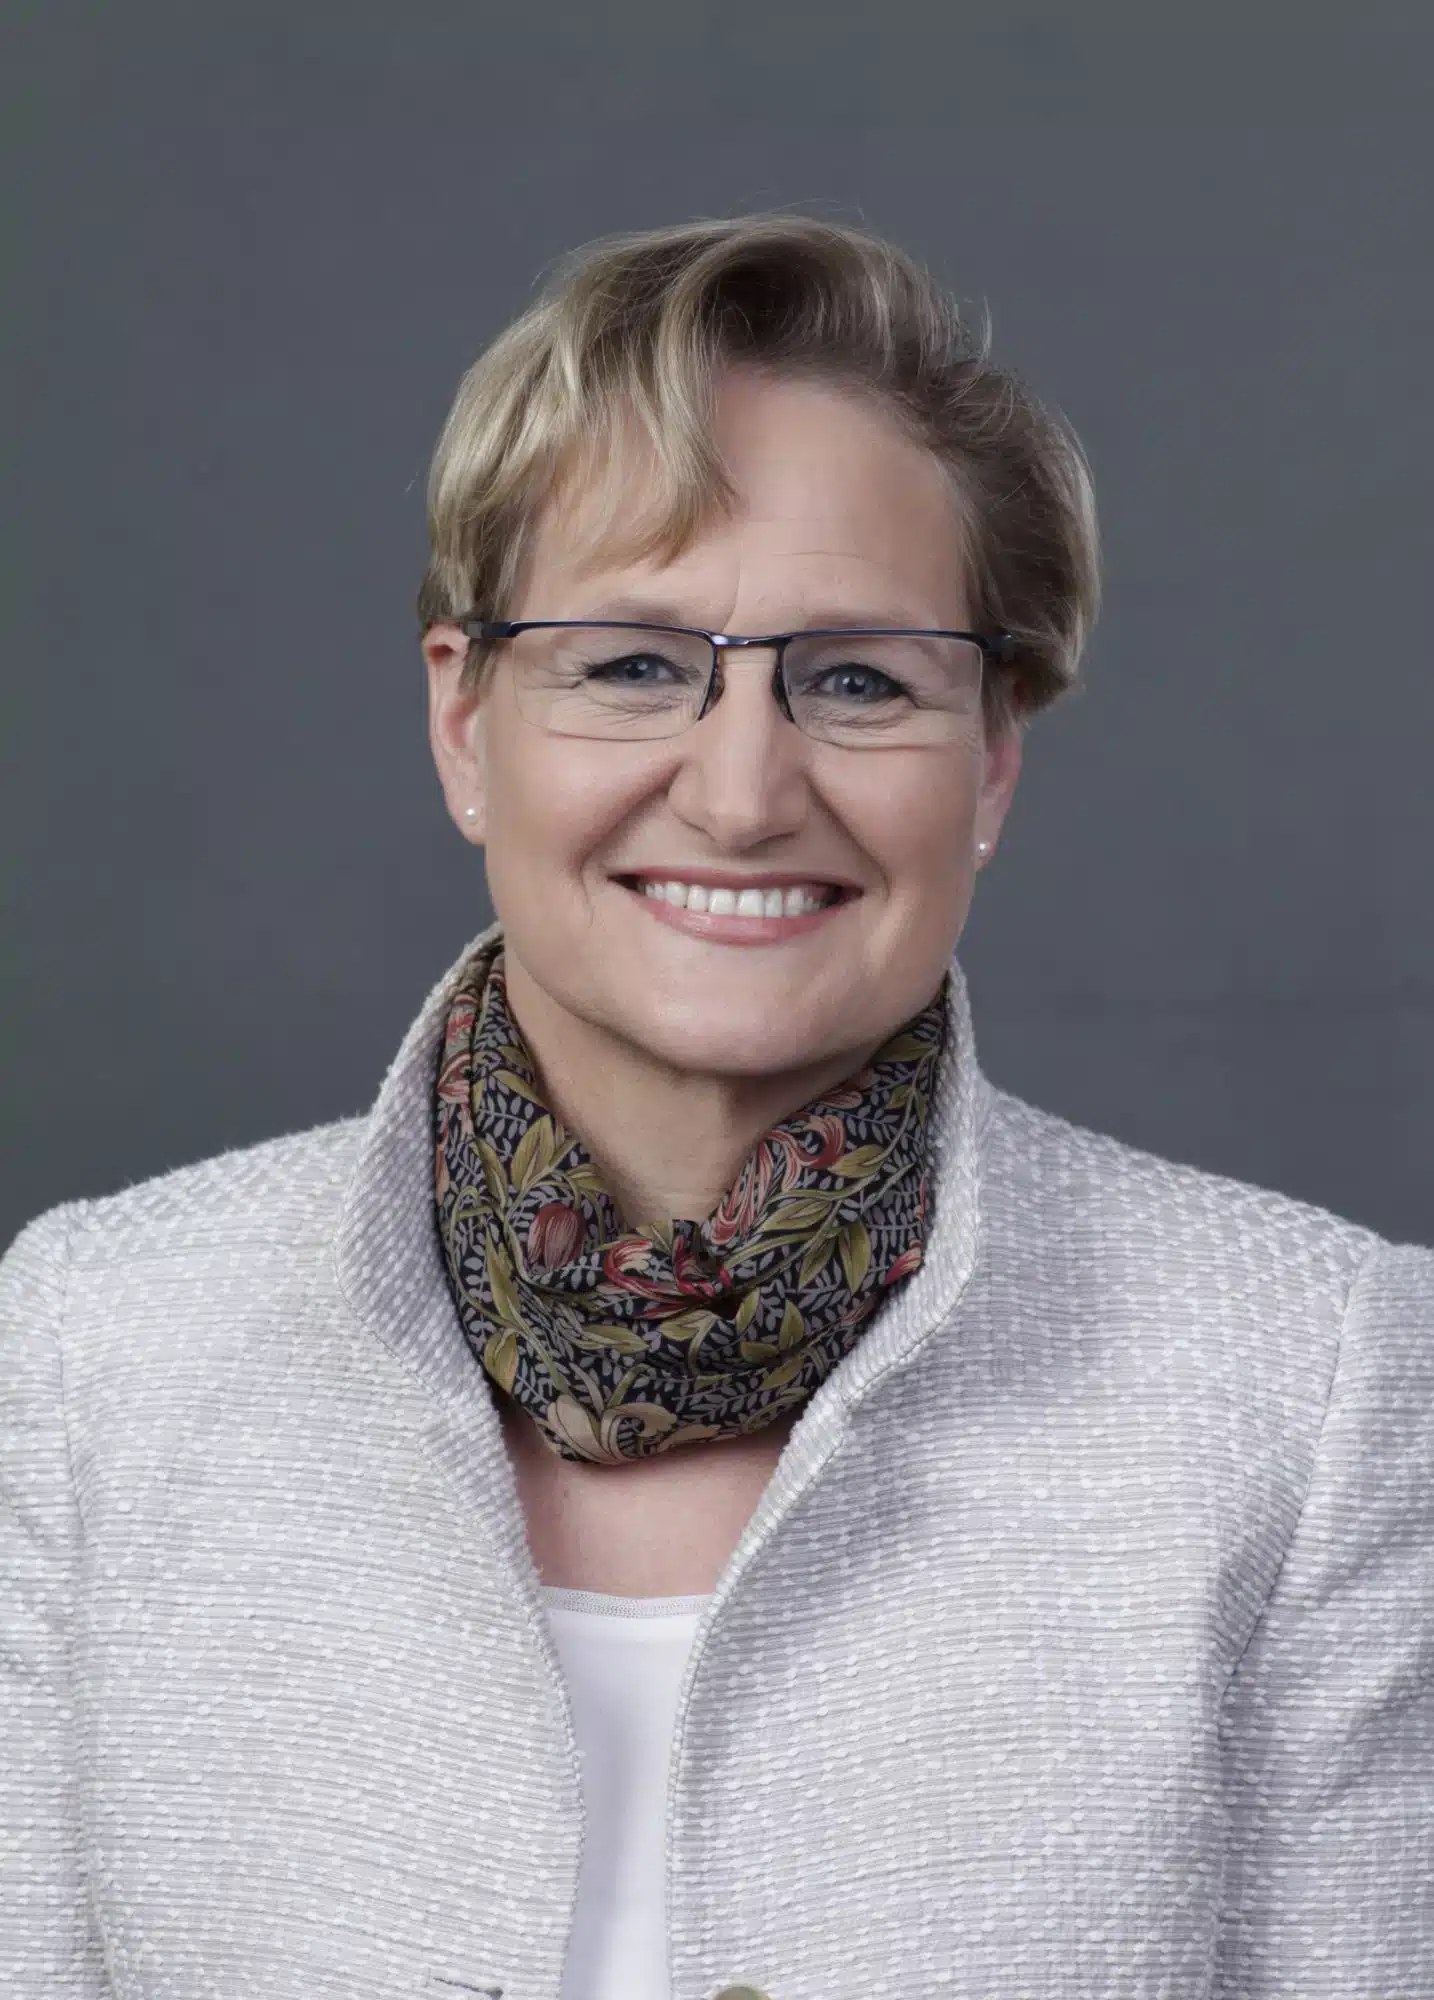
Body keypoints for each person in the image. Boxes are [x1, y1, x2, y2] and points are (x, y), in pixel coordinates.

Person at [2, 213, 1430, 2000]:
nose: (744, 793)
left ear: (989, 759)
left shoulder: (1308, 1383)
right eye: (627, 663)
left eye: (856, 681)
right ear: (466, 729)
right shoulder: (89, 1353)